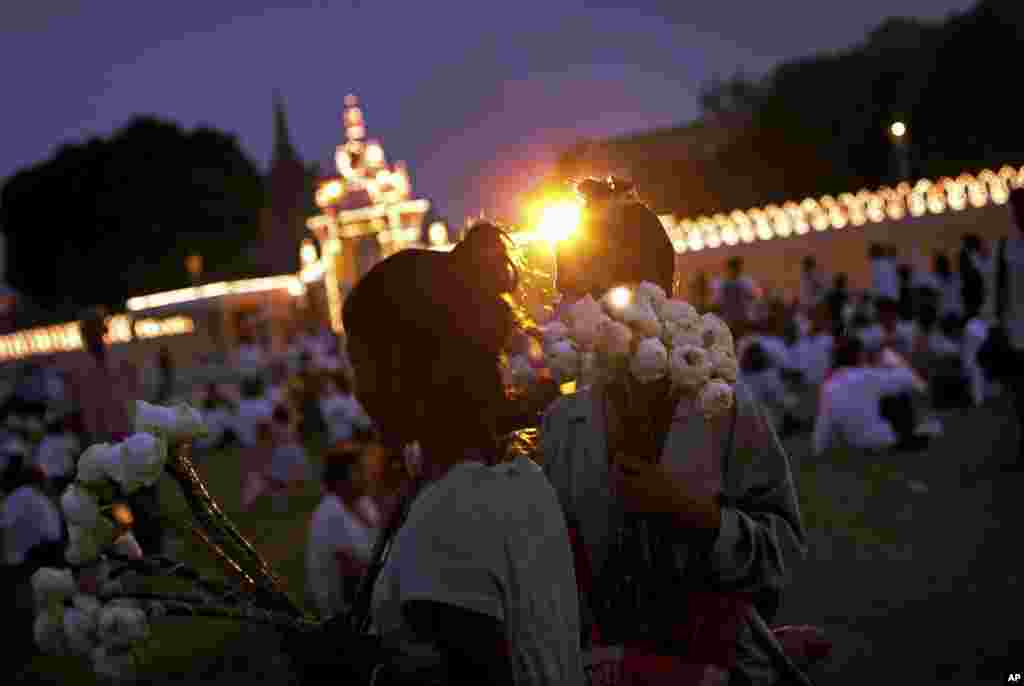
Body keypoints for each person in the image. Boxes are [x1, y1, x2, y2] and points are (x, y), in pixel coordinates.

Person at [542, 178, 820, 685]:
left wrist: (700, 517)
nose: (573, 314)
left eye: (589, 292)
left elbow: (784, 552)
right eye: (567, 295)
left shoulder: (720, 406)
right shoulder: (564, 424)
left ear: (658, 295)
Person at [342, 222, 584, 684]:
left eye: (358, 362)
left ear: (401, 368)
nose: (356, 390)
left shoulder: (447, 517)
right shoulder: (521, 476)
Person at [812, 337, 926, 457]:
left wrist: (818, 449)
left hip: (852, 442)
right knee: (899, 396)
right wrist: (893, 359)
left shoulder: (827, 385)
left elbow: (823, 422)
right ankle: (909, 436)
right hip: (880, 440)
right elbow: (909, 380)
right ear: (859, 355)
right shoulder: (869, 375)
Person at [306, 438, 380, 619]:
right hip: (345, 610)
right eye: (358, 470)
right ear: (340, 478)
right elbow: (351, 576)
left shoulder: (364, 503)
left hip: (370, 593)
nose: (366, 475)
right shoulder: (329, 512)